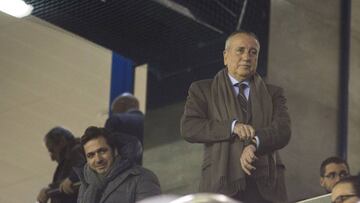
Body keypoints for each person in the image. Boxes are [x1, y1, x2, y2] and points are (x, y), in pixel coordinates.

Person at [180, 30, 291, 203]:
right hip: (221, 184)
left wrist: (254, 143)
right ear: (225, 56)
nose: (247, 57)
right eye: (240, 50)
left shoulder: (273, 93)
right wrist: (232, 127)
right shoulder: (202, 90)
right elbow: (189, 127)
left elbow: (283, 130)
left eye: (253, 52)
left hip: (265, 187)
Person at [75, 126, 161, 203]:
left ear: (115, 151)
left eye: (102, 151)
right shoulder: (85, 185)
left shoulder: (142, 178)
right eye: (91, 155)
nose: (98, 159)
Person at [36, 127, 85, 203]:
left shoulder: (76, 151)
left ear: (62, 142)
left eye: (52, 150)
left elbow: (84, 167)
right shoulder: (67, 160)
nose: (52, 158)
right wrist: (49, 190)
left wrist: (72, 178)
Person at [105, 92, 144, 165]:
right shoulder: (153, 122)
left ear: (122, 104)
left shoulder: (116, 119)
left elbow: (105, 147)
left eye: (115, 110)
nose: (114, 112)